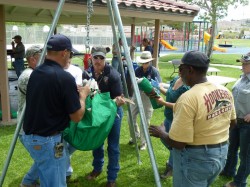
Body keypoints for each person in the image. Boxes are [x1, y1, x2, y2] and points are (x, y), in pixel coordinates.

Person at [149, 50, 236, 187]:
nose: (179, 72)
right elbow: (232, 122)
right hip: (220, 154)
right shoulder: (225, 91)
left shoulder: (188, 98)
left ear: (190, 69)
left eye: (181, 68)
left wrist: (161, 133)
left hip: (196, 159)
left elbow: (179, 143)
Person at [21, 34, 90, 187]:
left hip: (31, 137)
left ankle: (27, 182)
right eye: (70, 54)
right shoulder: (64, 78)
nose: (70, 58)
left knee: (47, 177)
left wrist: (70, 93)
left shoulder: (36, 73)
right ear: (64, 53)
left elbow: (50, 100)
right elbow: (77, 116)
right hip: (48, 141)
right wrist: (83, 96)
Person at [83, 46, 126, 187]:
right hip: (97, 114)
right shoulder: (87, 74)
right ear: (91, 58)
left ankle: (112, 178)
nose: (98, 60)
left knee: (113, 146)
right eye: (96, 57)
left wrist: (115, 101)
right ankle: (97, 168)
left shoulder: (113, 75)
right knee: (97, 142)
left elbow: (119, 98)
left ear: (105, 59)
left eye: (101, 57)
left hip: (113, 114)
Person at [222, 52, 250, 187]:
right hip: (236, 121)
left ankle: (239, 182)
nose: (242, 66)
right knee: (231, 148)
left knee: (245, 155)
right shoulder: (242, 78)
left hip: (247, 125)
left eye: (245, 64)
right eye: (242, 63)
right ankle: (228, 170)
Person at [18, 45, 42, 187]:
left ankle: (30, 182)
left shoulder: (34, 73)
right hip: (27, 129)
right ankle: (28, 182)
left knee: (45, 158)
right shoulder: (29, 76)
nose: (45, 57)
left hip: (32, 126)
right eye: (42, 55)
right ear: (32, 59)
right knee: (45, 159)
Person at [156, 76, 189, 179]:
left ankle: (171, 167)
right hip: (168, 117)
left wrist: (163, 103)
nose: (180, 69)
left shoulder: (187, 86)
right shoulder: (176, 79)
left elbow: (182, 105)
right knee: (165, 139)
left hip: (177, 119)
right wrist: (159, 88)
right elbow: (170, 93)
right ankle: (177, 158)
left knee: (173, 143)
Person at [128, 51, 162, 150]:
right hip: (136, 95)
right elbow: (132, 84)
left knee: (145, 121)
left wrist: (150, 87)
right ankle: (135, 135)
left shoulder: (154, 71)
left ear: (150, 62)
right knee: (130, 118)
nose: (144, 64)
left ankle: (143, 142)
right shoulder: (137, 70)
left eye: (146, 62)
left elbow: (158, 86)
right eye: (143, 62)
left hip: (148, 97)